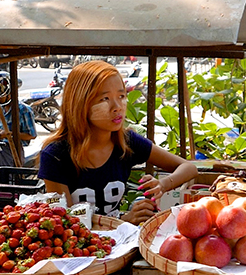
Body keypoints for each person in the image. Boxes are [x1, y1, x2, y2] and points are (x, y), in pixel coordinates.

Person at [38, 60, 198, 225]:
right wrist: (124, 219)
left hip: (118, 242)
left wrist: (162, 184)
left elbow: (189, 168)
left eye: (121, 96)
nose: (117, 107)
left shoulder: (126, 142)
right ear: (80, 104)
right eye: (105, 98)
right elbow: (68, 225)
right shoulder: (55, 155)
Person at [0, 71, 37, 175]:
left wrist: (8, 134)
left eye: (0, 97)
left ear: (10, 93)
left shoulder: (24, 110)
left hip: (13, 152)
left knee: (7, 178)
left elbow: (31, 135)